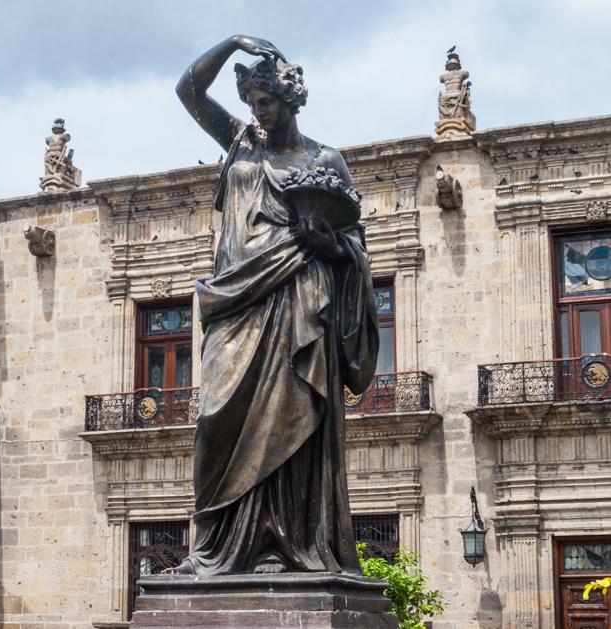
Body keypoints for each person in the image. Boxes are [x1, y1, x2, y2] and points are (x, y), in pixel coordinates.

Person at [173, 34, 378, 576]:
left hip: (299, 300)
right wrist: (231, 43)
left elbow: (356, 246)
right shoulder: (241, 144)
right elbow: (189, 90)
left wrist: (332, 246)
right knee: (217, 419)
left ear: (291, 99)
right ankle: (216, 548)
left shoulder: (325, 159)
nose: (259, 113)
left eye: (267, 102)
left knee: (294, 419)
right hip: (237, 303)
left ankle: (288, 545)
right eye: (252, 104)